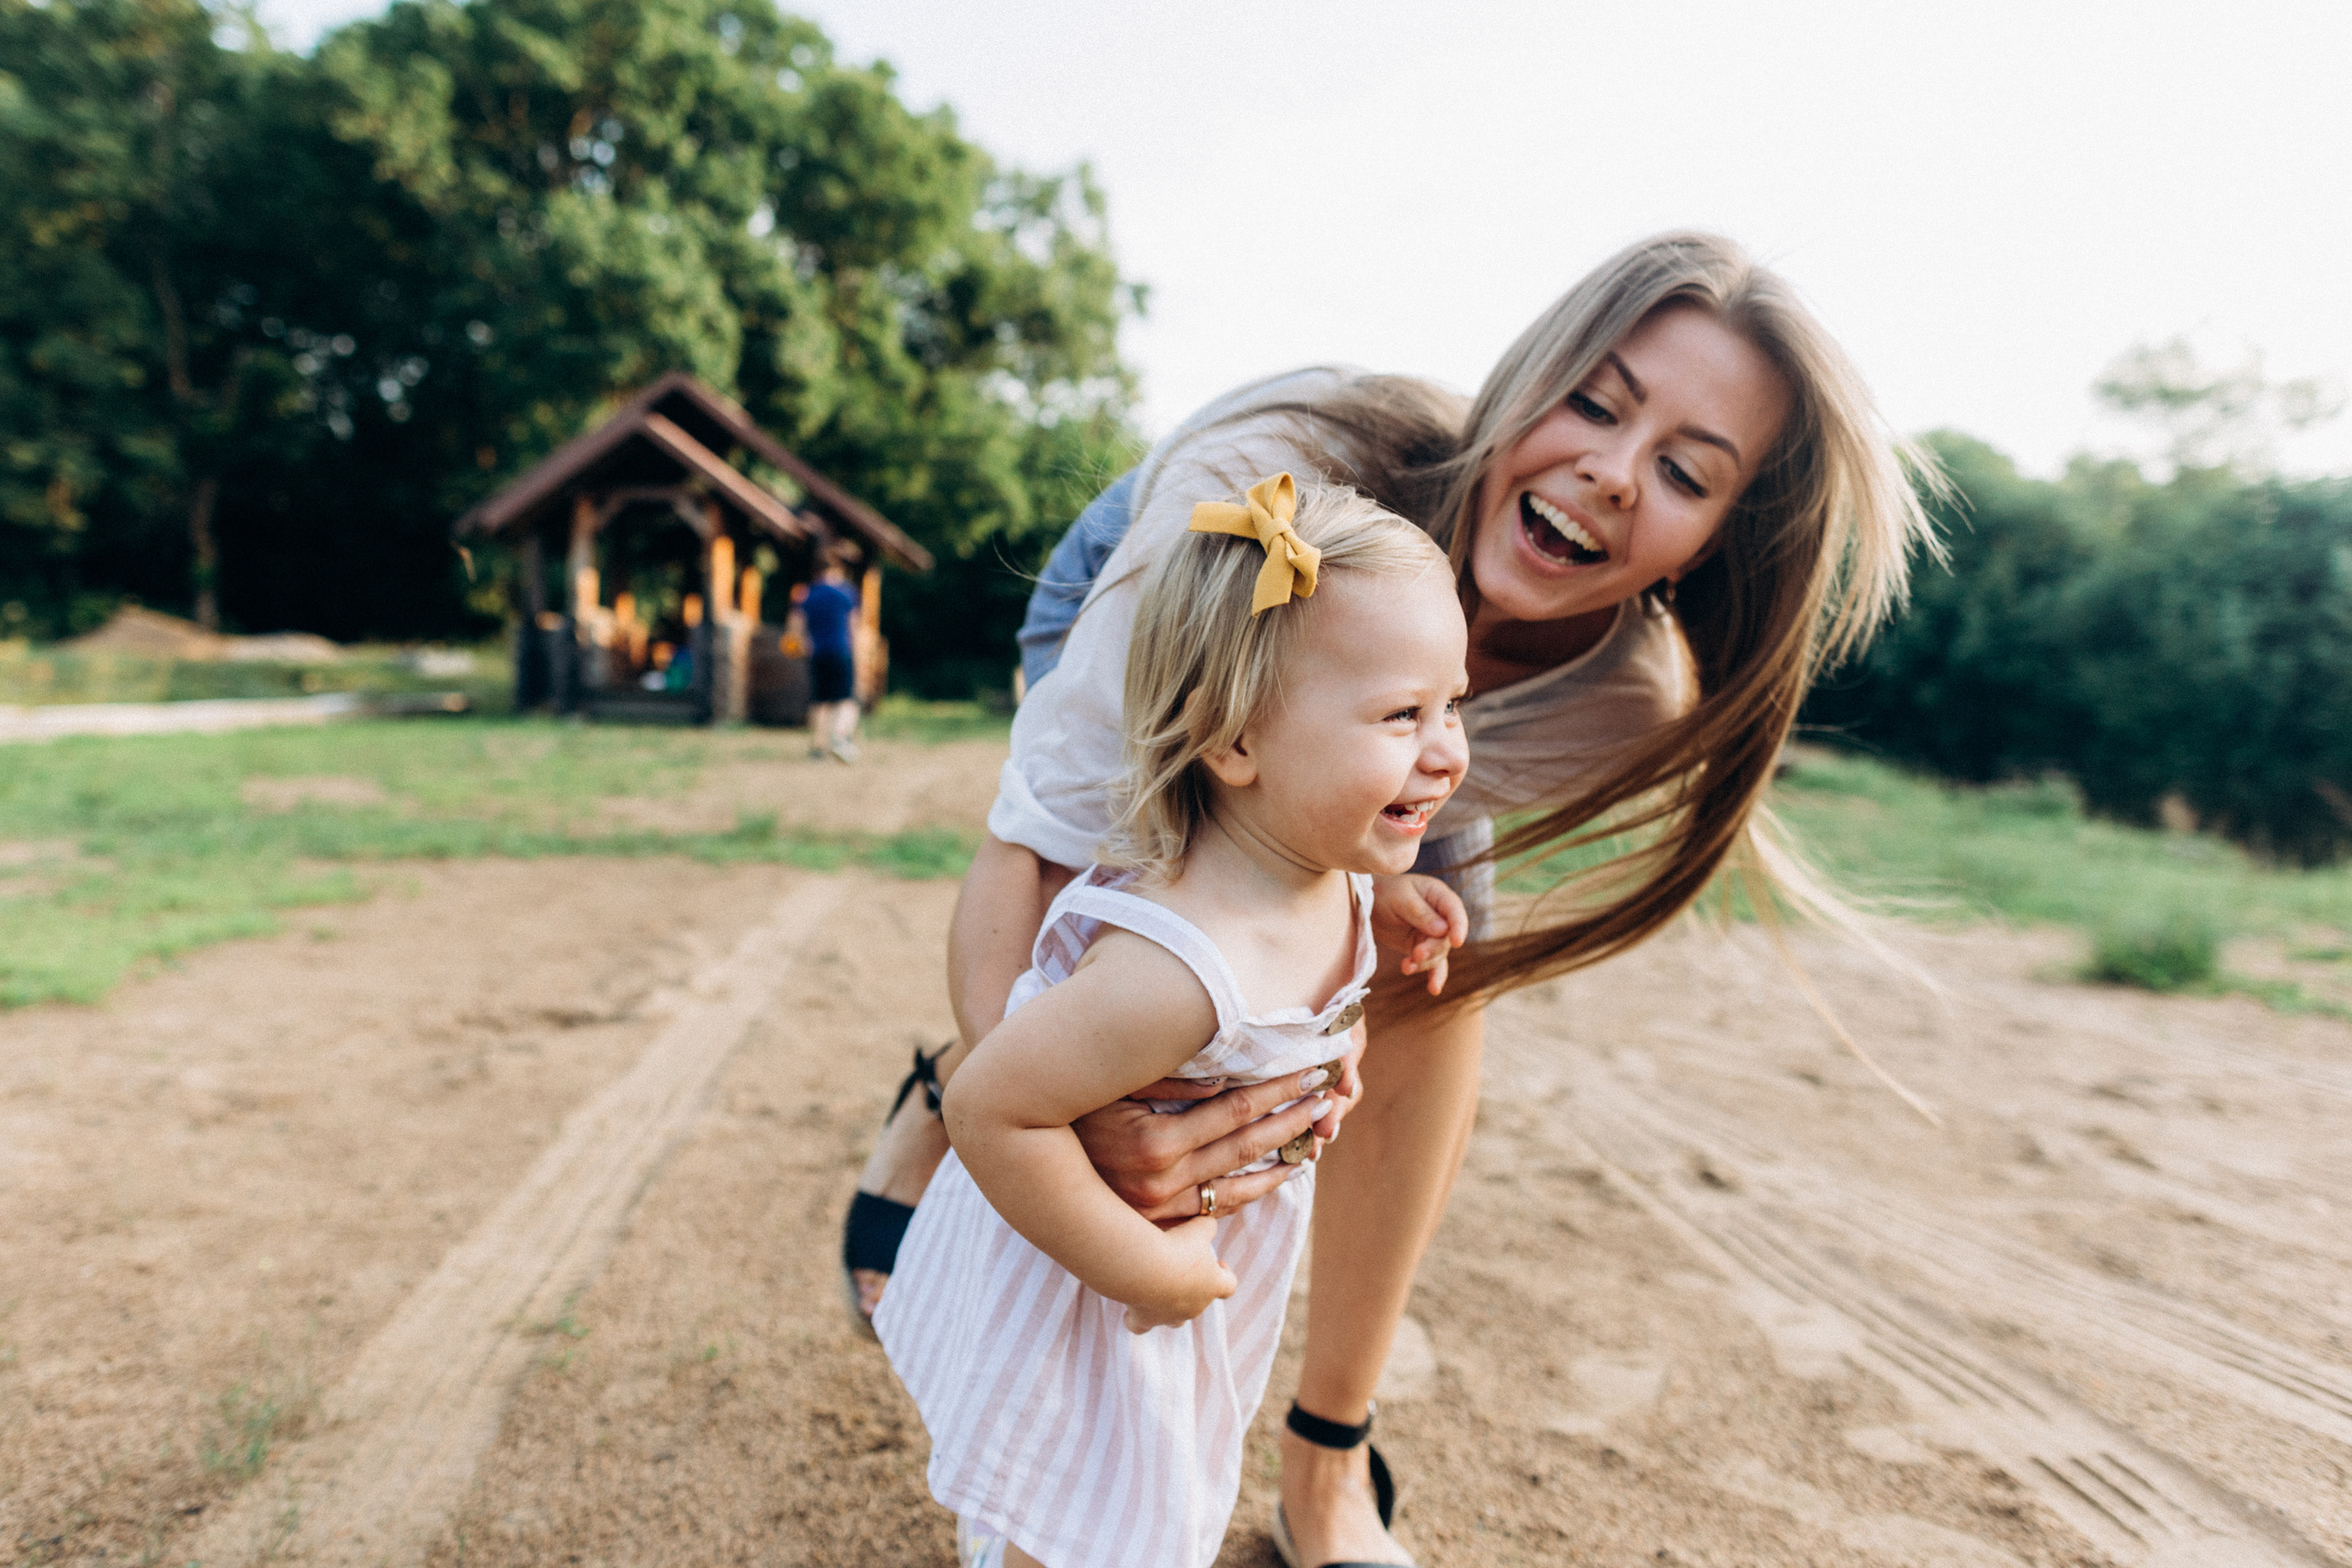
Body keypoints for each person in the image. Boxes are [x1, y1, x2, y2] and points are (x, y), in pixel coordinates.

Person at [846, 231, 1938, 1567]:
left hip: (1377, 706)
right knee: (1140, 927)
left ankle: (1327, 1460)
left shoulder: (1619, 699)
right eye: (1596, 402)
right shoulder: (1271, 469)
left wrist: (1371, 902)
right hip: (1182, 583)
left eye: (1684, 470)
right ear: (1529, 378)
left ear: (1708, 541)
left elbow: (1344, 876)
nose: (1610, 469)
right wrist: (1061, 1125)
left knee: (1417, 968)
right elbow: (1037, 849)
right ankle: (956, 1087)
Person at [876, 476, 1469, 1568]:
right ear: (1237, 743)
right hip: (1095, 1284)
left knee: (1153, 1488)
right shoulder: (1172, 970)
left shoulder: (1315, 871)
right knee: (1084, 1504)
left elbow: (1321, 910)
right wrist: (1140, 1274)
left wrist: (1388, 893)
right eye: (1402, 715)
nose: (1446, 751)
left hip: (1190, 1272)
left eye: (1452, 704)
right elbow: (990, 1105)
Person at [800, 552, 862, 761]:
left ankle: (817, 749)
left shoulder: (808, 594)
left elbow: (796, 627)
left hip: (817, 653)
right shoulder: (846, 592)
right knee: (847, 700)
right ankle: (839, 738)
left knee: (819, 701)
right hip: (841, 651)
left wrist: (805, 644)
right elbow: (854, 626)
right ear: (837, 570)